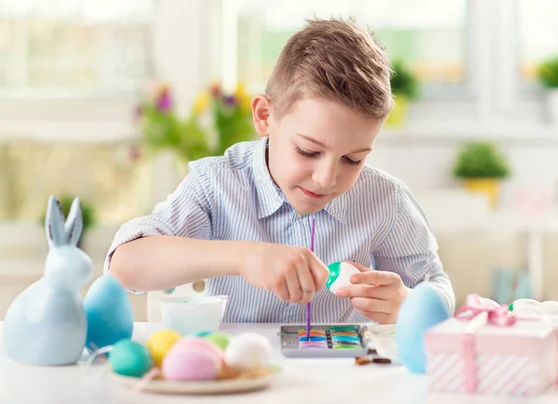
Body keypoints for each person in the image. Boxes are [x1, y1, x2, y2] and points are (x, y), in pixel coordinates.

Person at [105, 18, 454, 325]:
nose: (326, 178)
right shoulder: (216, 185)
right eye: (308, 150)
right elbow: (124, 266)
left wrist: (410, 304)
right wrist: (244, 257)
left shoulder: (385, 200)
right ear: (264, 116)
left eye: (353, 159)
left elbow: (437, 289)